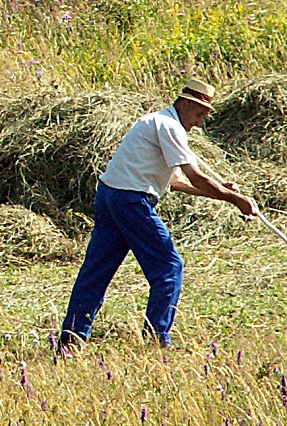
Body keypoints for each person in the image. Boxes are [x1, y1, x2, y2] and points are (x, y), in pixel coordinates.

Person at [59, 78, 256, 350]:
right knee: (168, 268)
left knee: (95, 273)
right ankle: (156, 340)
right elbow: (194, 177)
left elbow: (176, 183)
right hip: (131, 201)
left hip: (109, 196)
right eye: (199, 114)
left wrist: (219, 192)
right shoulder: (170, 126)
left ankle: (70, 342)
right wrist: (235, 199)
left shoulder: (157, 123)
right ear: (185, 105)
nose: (199, 122)